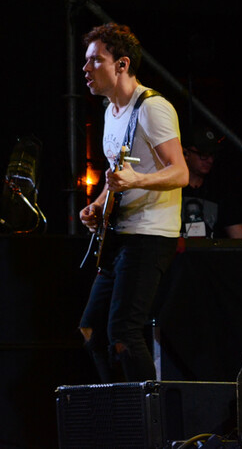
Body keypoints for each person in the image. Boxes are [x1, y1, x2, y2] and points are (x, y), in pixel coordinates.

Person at [78, 23, 189, 382]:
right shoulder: (111, 112)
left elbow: (180, 172)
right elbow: (117, 174)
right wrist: (98, 205)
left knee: (124, 333)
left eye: (96, 60)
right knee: (92, 331)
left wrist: (137, 180)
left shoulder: (152, 108)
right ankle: (119, 407)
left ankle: (146, 412)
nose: (86, 68)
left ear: (122, 64)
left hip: (149, 236)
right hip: (120, 235)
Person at [182, 125, 242, 239]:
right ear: (186, 153)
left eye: (212, 155)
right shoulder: (171, 189)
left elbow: (239, 235)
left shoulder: (219, 191)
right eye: (203, 154)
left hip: (208, 250)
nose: (210, 160)